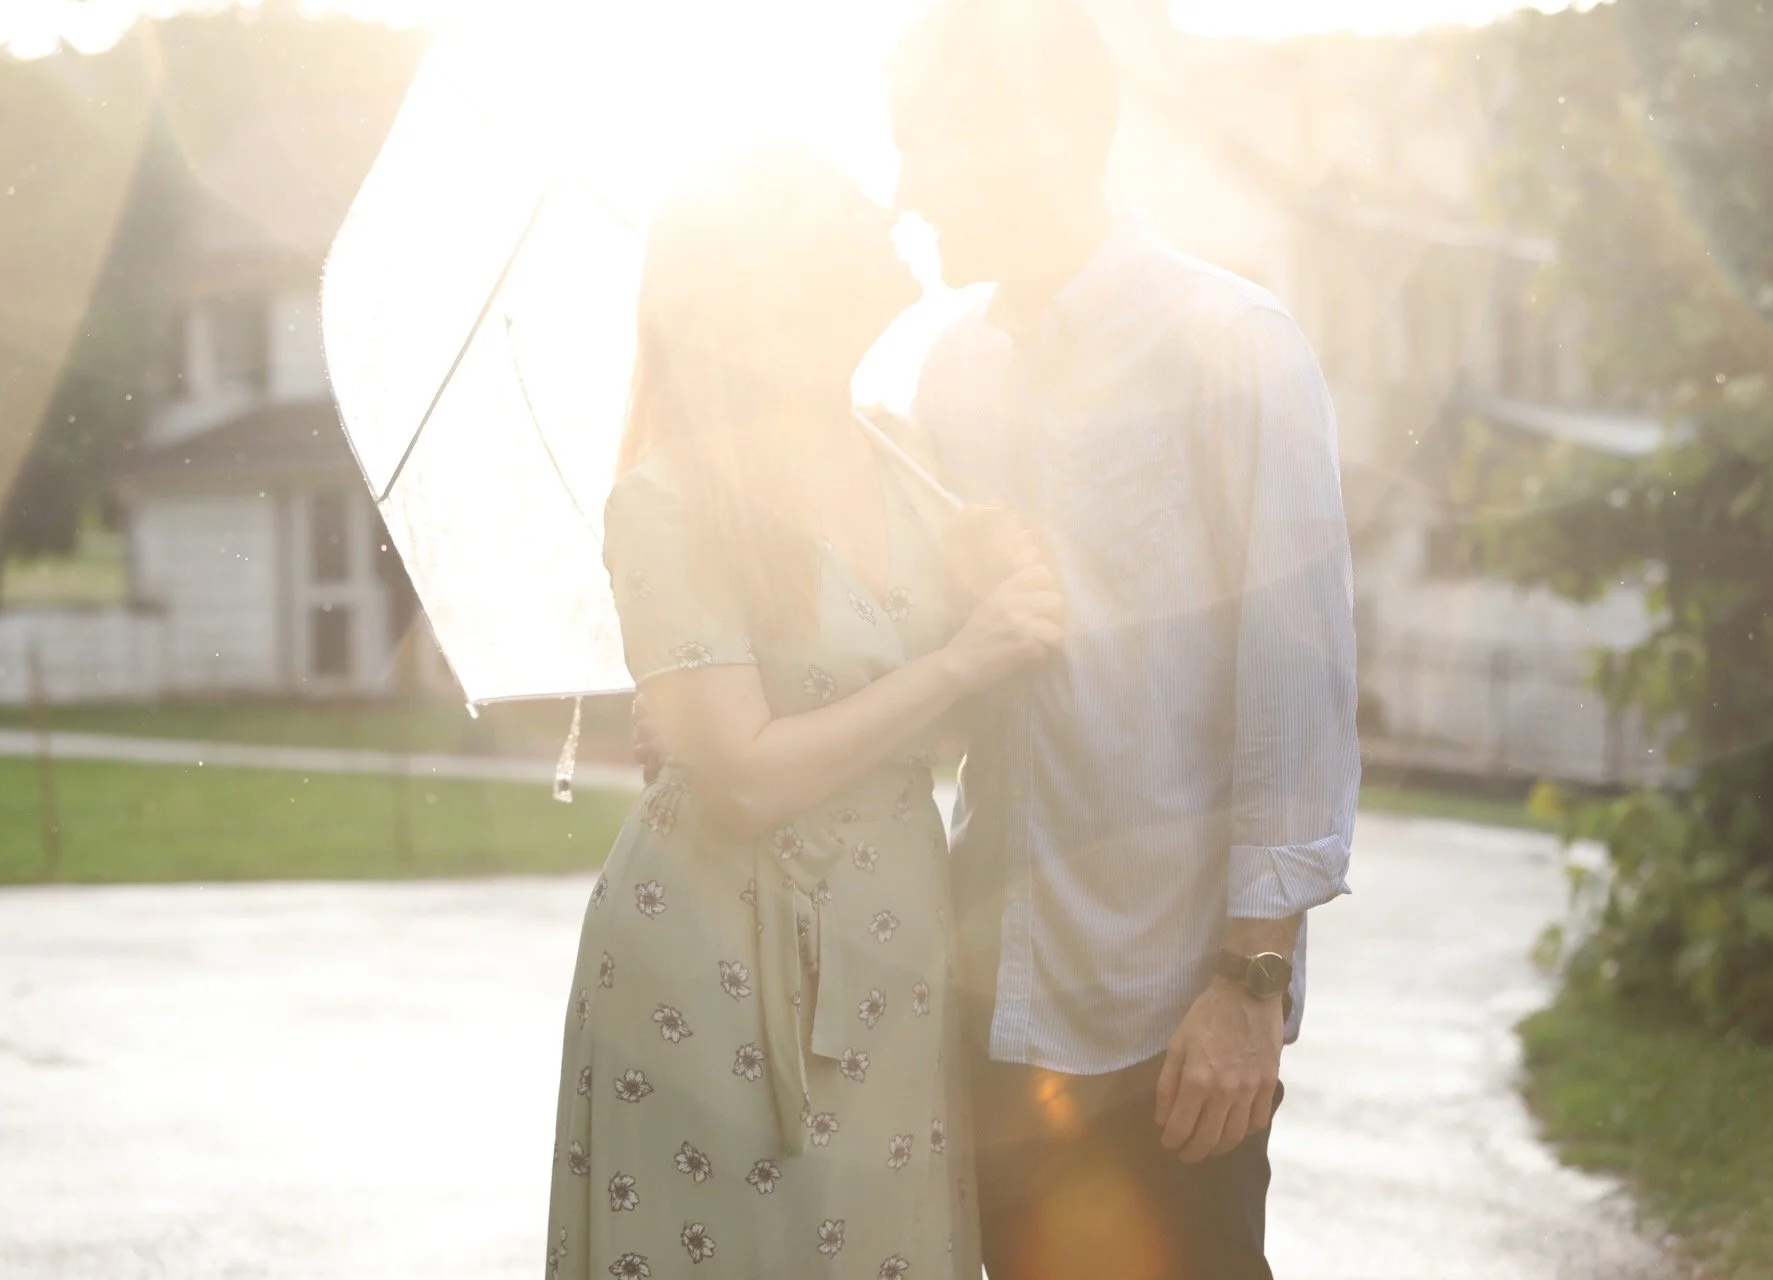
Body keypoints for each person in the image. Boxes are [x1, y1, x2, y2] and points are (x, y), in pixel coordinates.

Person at [887, 2, 1363, 1277]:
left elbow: (1294, 699)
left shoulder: (1233, 348)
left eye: (925, 143)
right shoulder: (951, 379)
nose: (908, 185)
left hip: (1168, 1012)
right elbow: (942, 675)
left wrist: (1248, 988)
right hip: (991, 1004)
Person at [543, 145, 1063, 1280]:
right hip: (716, 963)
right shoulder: (671, 496)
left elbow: (947, 734)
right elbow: (747, 777)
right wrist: (965, 656)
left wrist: (992, 586)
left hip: (895, 938)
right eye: (844, 208)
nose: (883, 212)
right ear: (767, 279)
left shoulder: (904, 452)